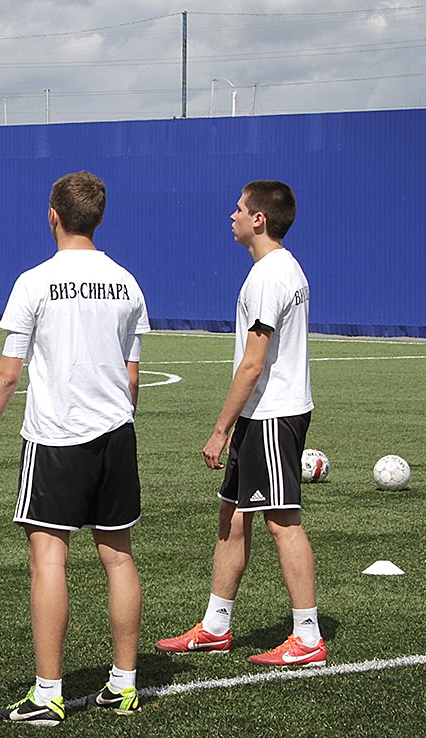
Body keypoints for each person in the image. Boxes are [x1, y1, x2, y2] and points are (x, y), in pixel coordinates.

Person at [0, 171, 150, 726]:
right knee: (118, 557)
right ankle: (124, 686)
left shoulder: (35, 281)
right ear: (99, 216)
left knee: (49, 558)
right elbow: (132, 376)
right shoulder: (126, 283)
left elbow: (7, 374)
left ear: (53, 215)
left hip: (56, 438)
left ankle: (48, 693)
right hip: (116, 434)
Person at [155, 180, 326, 667]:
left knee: (282, 522)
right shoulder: (277, 269)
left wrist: (220, 429)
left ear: (259, 219)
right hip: (261, 413)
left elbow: (253, 363)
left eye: (238, 209)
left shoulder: (270, 276)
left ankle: (308, 636)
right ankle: (215, 627)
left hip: (272, 413)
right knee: (232, 515)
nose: (231, 216)